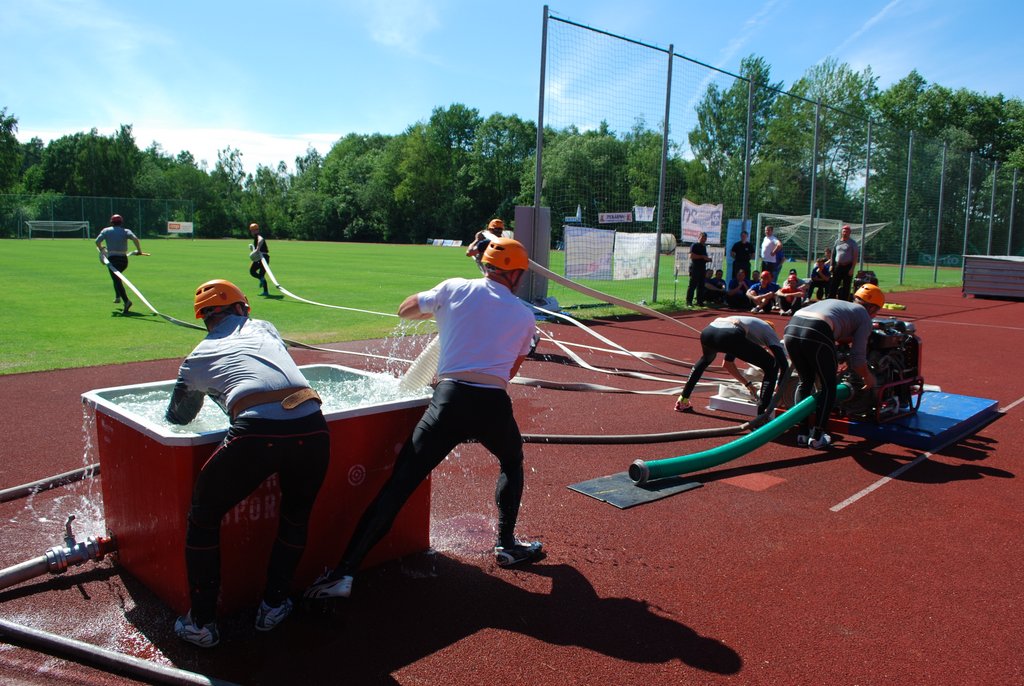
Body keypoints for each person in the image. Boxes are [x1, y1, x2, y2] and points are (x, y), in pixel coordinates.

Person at [304, 236, 542, 603]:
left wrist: (448, 317)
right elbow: (507, 372)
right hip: (492, 404)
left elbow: (405, 310)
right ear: (516, 275)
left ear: (486, 265)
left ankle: (344, 573)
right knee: (512, 460)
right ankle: (507, 544)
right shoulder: (526, 316)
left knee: (399, 484)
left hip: (449, 400)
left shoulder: (454, 288)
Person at [165, 279, 330, 647]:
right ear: (242, 308)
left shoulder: (195, 358)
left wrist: (211, 390)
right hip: (314, 428)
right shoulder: (264, 327)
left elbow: (178, 418)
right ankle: (273, 605)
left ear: (205, 318)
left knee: (203, 517)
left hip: (256, 435)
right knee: (295, 515)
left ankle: (202, 623)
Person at [782, 283, 884, 449]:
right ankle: (817, 437)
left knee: (805, 381)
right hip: (817, 330)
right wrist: (868, 377)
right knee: (829, 387)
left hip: (791, 328)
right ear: (872, 308)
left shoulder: (838, 303)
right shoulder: (864, 317)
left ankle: (802, 434)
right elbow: (858, 359)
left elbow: (838, 329)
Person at [673, 316, 788, 417]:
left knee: (705, 360)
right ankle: (762, 414)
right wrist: (779, 390)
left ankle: (682, 400)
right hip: (730, 334)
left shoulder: (748, 328)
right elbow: (783, 364)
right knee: (772, 366)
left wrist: (748, 385)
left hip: (708, 331)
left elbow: (728, 364)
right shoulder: (769, 332)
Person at [95, 214, 144, 314]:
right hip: (124, 260)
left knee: (116, 280)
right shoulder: (126, 231)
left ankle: (126, 301)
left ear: (111, 222)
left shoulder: (106, 230)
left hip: (113, 259)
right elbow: (135, 239)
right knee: (116, 278)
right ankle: (118, 297)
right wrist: (139, 251)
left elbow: (97, 241)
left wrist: (101, 249)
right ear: (121, 222)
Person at [828, 225, 859, 301]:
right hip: (838, 266)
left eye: (847, 231)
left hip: (847, 266)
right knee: (834, 284)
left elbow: (855, 256)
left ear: (850, 233)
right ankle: (831, 300)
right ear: (841, 232)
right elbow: (833, 254)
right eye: (844, 231)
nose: (845, 233)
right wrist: (831, 265)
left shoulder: (852, 243)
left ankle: (844, 301)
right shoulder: (837, 241)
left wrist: (852, 268)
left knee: (846, 285)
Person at [686, 231, 711, 307]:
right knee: (692, 285)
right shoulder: (695, 245)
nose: (704, 239)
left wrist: (707, 259)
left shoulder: (704, 247)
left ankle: (699, 301)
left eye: (705, 238)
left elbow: (704, 257)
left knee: (701, 285)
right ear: (699, 237)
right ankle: (689, 302)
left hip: (702, 268)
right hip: (695, 268)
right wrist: (702, 257)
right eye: (702, 238)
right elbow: (691, 256)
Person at [248, 223, 270, 296]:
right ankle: (261, 280)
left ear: (256, 230)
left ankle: (266, 292)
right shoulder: (256, 237)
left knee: (260, 274)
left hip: (264, 258)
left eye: (253, 230)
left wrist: (257, 249)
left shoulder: (258, 236)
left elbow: (261, 240)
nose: (252, 232)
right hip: (260, 258)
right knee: (252, 271)